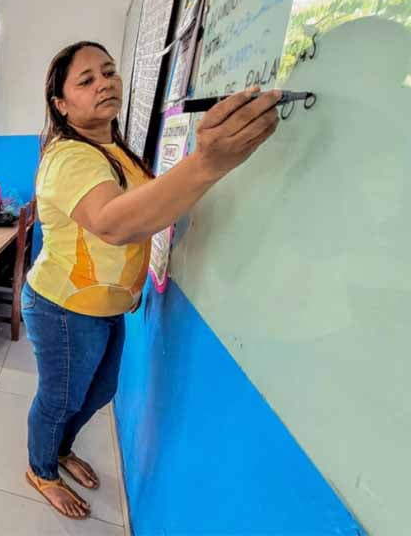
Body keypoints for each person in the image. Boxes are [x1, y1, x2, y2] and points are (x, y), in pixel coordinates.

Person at [23, 41, 280, 519]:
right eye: (86, 80)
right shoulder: (69, 158)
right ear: (61, 105)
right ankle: (41, 469)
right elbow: (114, 223)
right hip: (63, 306)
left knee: (98, 392)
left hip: (105, 306)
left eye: (109, 72)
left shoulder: (113, 148)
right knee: (60, 399)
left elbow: (144, 216)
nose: (104, 83)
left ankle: (59, 451)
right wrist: (206, 163)